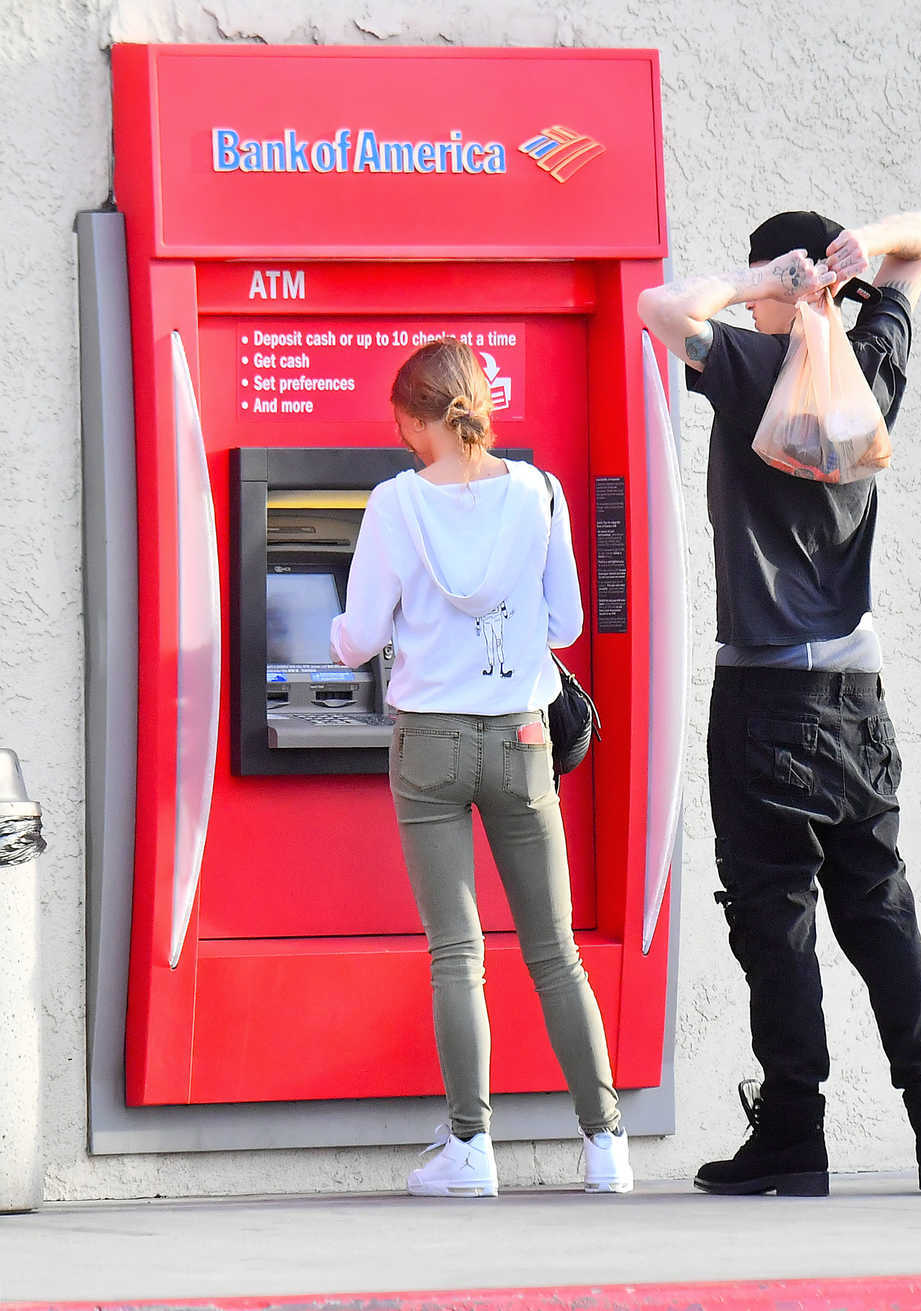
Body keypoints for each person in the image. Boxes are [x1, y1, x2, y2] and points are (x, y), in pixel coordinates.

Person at [637, 210, 921, 1197]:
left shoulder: (752, 369)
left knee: (774, 915)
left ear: (774, 283)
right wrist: (854, 254)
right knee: (877, 905)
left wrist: (756, 280)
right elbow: (920, 241)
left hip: (760, 692)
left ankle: (795, 1133)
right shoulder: (868, 367)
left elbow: (655, 307)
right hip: (855, 693)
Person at [329, 338, 633, 1197]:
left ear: (413, 416)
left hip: (428, 742)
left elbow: (358, 633)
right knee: (555, 950)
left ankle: (471, 1148)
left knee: (457, 951)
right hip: (522, 739)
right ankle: (605, 1143)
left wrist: (339, 641)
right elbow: (568, 622)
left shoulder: (395, 505)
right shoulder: (539, 493)